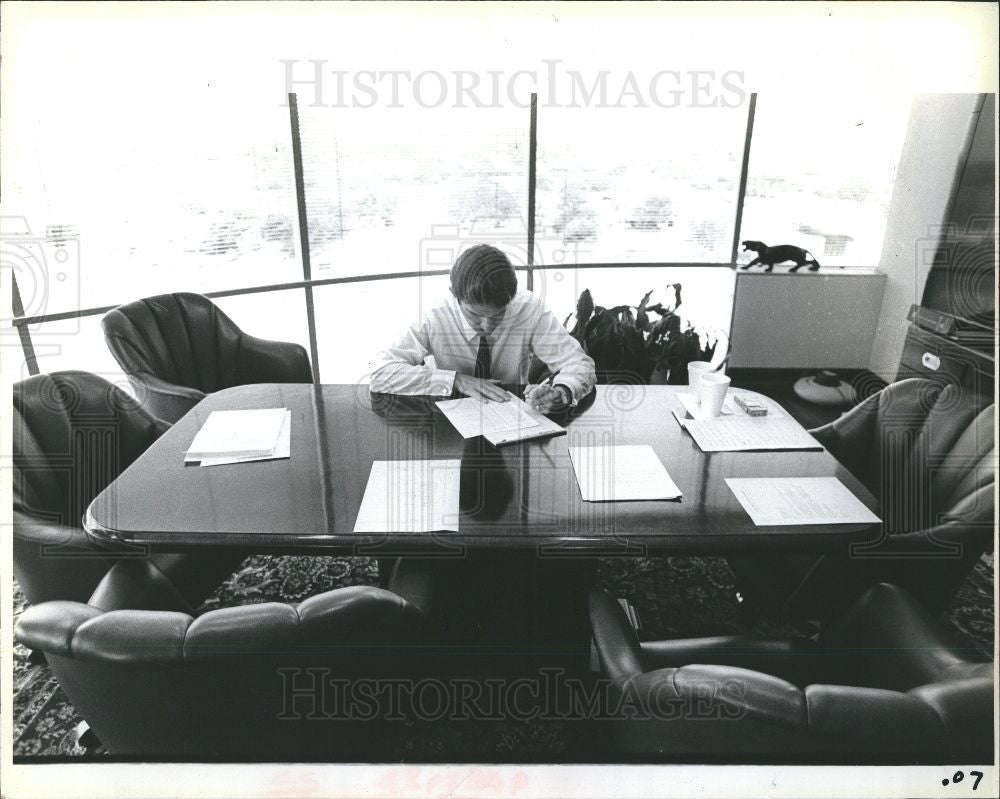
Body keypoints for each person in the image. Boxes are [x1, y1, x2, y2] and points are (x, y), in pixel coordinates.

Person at [370, 244, 596, 412]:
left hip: (515, 416)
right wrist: (455, 380)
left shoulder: (529, 308)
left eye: (498, 315)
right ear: (454, 296)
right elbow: (380, 372)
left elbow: (579, 363)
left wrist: (564, 390)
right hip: (446, 420)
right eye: (475, 315)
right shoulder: (433, 313)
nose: (487, 326)